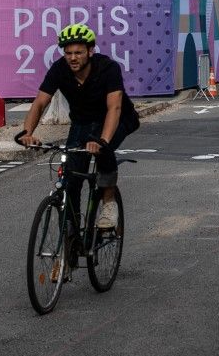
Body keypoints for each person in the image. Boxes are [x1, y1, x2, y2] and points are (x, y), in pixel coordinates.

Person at [19, 23, 139, 231]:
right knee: (71, 178)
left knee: (104, 150)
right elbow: (40, 102)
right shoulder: (59, 69)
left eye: (78, 53)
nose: (73, 58)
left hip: (118, 119)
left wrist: (103, 140)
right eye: (68, 53)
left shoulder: (108, 68)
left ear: (90, 51)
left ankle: (109, 204)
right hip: (82, 122)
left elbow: (115, 107)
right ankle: (71, 239)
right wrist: (28, 133)